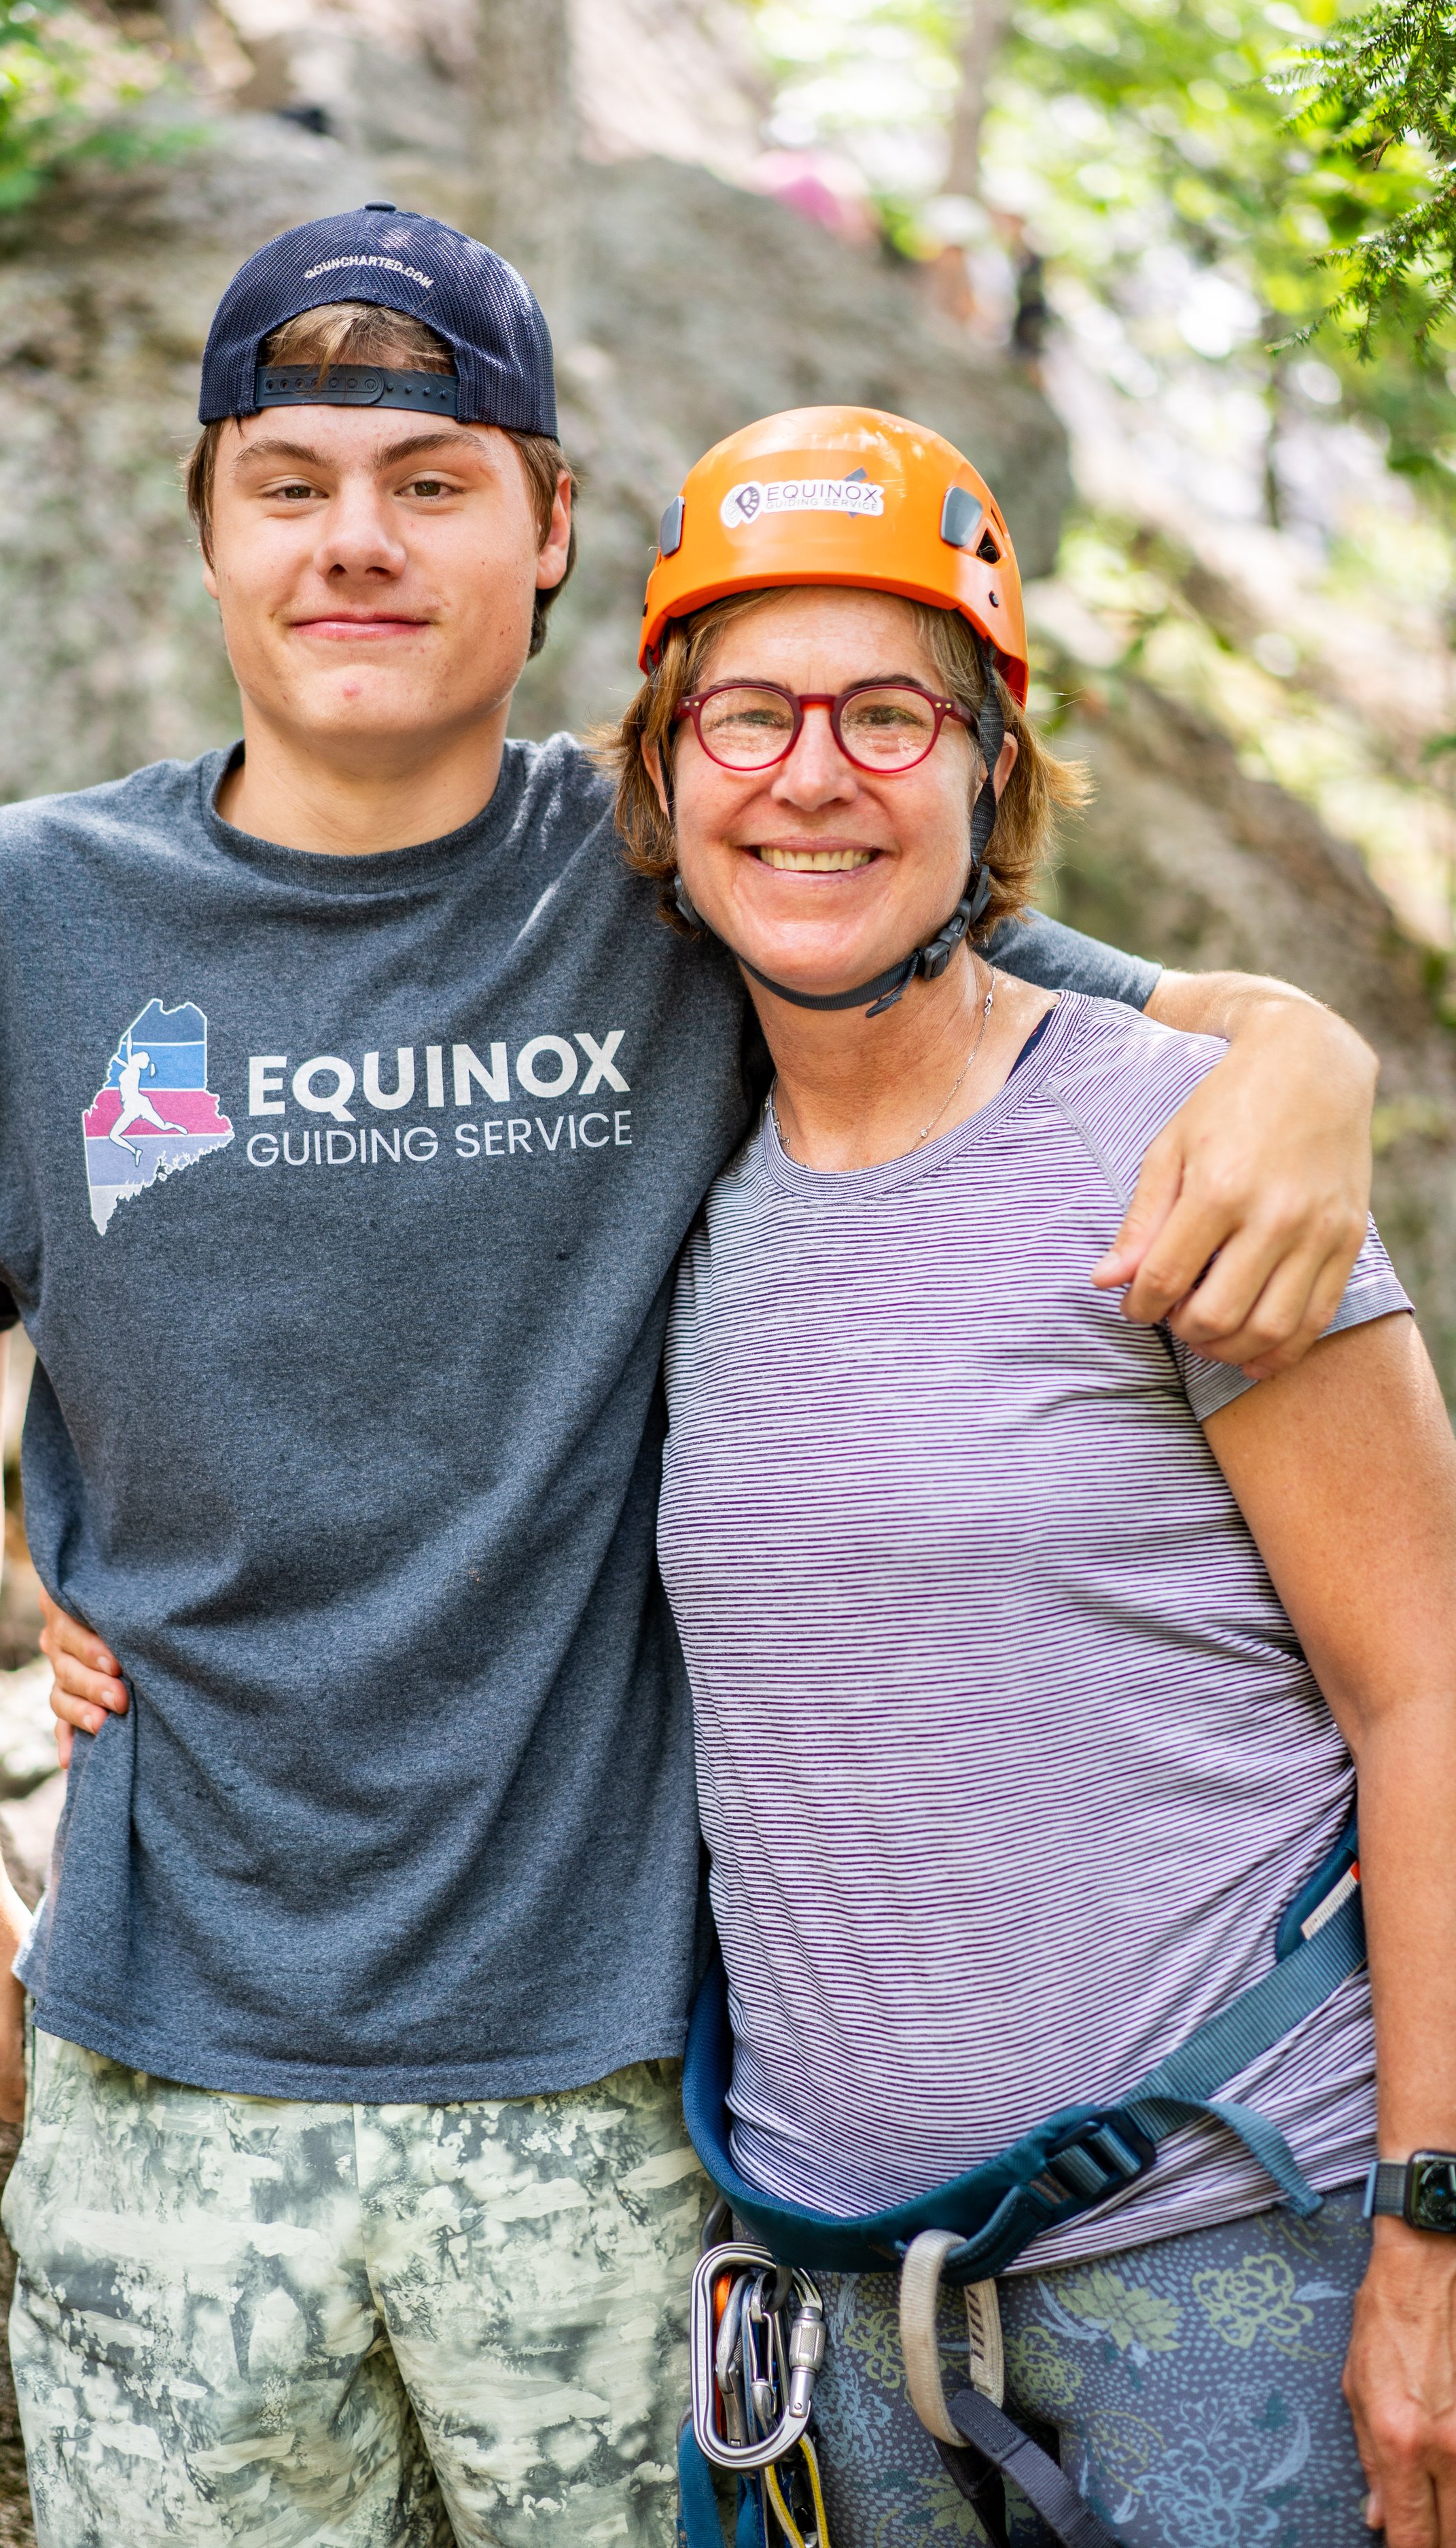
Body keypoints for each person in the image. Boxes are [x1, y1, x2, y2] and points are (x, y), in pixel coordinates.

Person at [0, 199, 1382, 2548]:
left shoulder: (677, 859)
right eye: (291, 481)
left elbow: (1062, 986)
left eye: (432, 481)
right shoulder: (26, 911)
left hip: (617, 2099)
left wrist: (1309, 1042)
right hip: (167, 2055)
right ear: (205, 524)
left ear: (551, 522)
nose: (357, 542)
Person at [599, 406, 1456, 2548]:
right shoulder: (664, 1181)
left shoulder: (1185, 1144)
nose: (810, 775)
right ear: (663, 770)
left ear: (990, 769)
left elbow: (1425, 1691)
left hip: (1231, 2261)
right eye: (750, 715)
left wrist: (1437, 2230)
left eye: (889, 715)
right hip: (837, 2294)